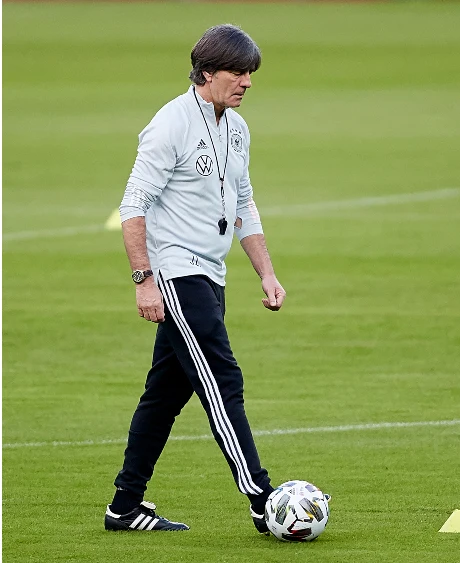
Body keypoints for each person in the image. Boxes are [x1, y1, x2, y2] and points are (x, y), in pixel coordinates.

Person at [105, 24, 284, 534]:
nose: (247, 82)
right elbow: (133, 206)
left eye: (251, 73)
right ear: (207, 73)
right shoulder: (170, 125)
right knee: (223, 380)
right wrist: (144, 279)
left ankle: (124, 506)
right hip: (177, 273)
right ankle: (261, 498)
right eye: (238, 72)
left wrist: (266, 273)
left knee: (165, 394)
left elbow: (244, 203)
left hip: (212, 274)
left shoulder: (237, 128)